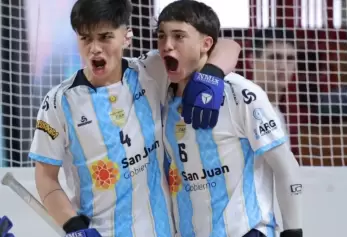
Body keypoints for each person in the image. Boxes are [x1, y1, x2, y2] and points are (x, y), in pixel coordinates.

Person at [28, 0, 240, 236]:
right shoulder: (58, 102)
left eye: (105, 37)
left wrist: (212, 74)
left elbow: (227, 45)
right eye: (85, 38)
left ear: (126, 37)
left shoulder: (151, 71)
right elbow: (46, 178)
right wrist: (73, 226)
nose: (95, 48)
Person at [158, 1, 303, 237]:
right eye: (161, 36)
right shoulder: (160, 96)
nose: (167, 45)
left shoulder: (241, 93)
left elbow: (286, 167)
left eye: (178, 36)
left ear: (206, 44)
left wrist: (293, 231)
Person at [249, 29, 297, 132]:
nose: (283, 66)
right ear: (252, 61)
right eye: (275, 57)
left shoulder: (277, 113)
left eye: (290, 58)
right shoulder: (241, 110)